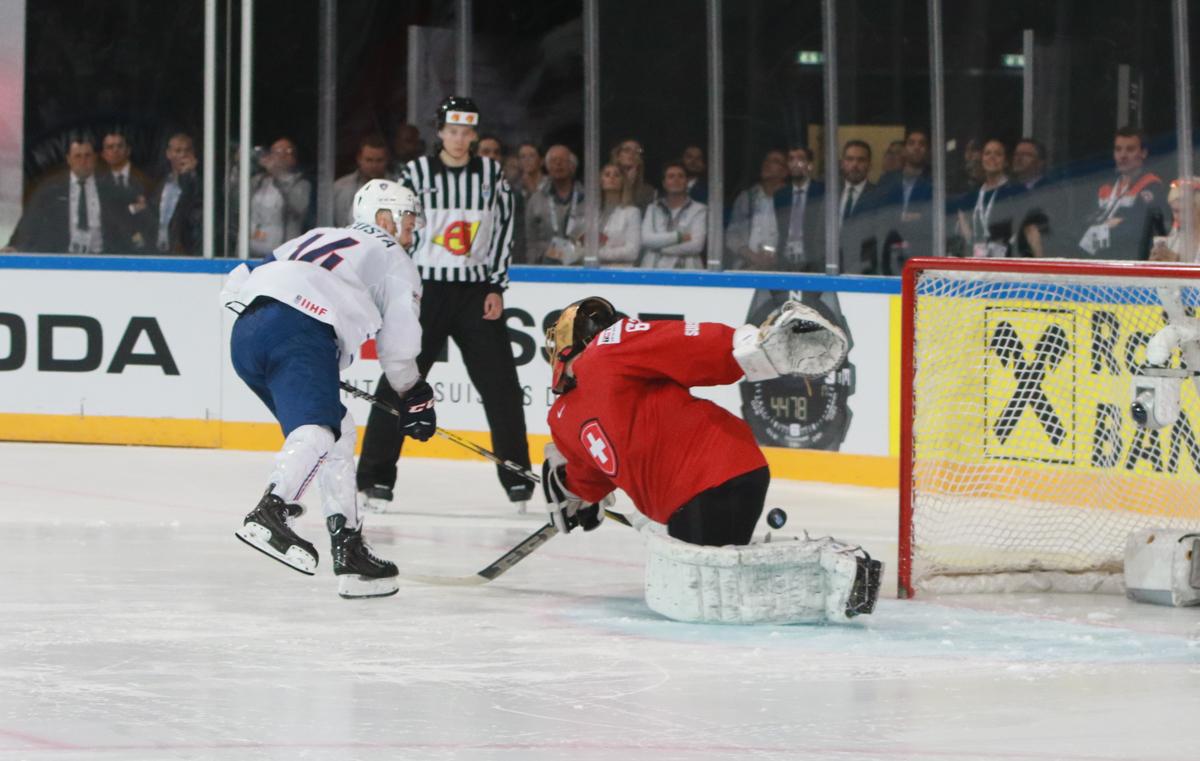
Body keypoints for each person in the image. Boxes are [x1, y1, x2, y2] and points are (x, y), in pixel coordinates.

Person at [540, 297, 879, 623]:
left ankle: (837, 565)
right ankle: (838, 570)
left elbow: (681, 345)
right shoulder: (562, 417)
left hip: (703, 476)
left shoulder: (605, 352)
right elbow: (590, 474)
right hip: (719, 472)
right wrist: (574, 494)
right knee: (717, 575)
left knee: (710, 582)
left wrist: (749, 345)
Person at [220, 179, 431, 599]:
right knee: (320, 428)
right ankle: (272, 511)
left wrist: (285, 336)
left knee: (338, 427)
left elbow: (238, 281)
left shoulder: (319, 234)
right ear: (384, 217)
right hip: (302, 329)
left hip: (248, 332)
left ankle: (348, 548)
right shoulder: (395, 257)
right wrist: (413, 393)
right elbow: (399, 346)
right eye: (408, 220)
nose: (412, 231)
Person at [356, 95, 532, 511]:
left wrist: (496, 286)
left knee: (501, 386)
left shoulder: (491, 173)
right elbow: (398, 231)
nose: (459, 138)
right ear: (440, 132)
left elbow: (503, 231)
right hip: (426, 292)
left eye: (466, 132)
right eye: (452, 131)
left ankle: (518, 477)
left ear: (474, 134)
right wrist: (398, 285)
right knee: (400, 378)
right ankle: (375, 476)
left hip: (475, 294)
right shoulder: (415, 173)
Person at [1078, 126, 1170, 260]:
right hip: (1097, 258)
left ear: (1143, 153)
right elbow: (1084, 222)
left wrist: (1106, 227)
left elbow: (1138, 226)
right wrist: (1112, 224)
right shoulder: (1105, 187)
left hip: (1130, 259)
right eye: (1118, 149)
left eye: (1130, 149)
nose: (1123, 155)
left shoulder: (1152, 185)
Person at [5, 134, 105, 254]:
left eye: (87, 156)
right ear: (69, 159)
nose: (83, 161)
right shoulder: (49, 191)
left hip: (102, 258)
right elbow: (30, 224)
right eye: (78, 156)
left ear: (95, 158)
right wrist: (15, 246)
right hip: (61, 257)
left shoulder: (110, 190)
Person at [640, 161, 706, 269]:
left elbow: (696, 245)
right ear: (664, 183)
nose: (676, 180)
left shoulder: (699, 209)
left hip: (687, 273)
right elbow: (646, 240)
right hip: (653, 270)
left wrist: (657, 246)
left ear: (687, 181)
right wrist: (679, 237)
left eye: (681, 176)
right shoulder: (653, 208)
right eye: (671, 176)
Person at [97, 130, 153, 253]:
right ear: (103, 154)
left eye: (120, 146)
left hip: (143, 248)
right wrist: (132, 209)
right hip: (110, 249)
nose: (115, 150)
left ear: (128, 151)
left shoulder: (146, 180)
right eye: (110, 147)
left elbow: (151, 212)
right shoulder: (98, 185)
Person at [154, 132, 203, 254]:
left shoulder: (202, 183)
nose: (183, 155)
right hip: (161, 249)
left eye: (187, 151)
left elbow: (187, 208)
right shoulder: (162, 182)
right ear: (168, 154)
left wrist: (187, 176)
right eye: (178, 151)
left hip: (188, 250)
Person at [333, 135, 390, 227]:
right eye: (369, 160)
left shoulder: (398, 186)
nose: (374, 165)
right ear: (359, 159)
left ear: (387, 160)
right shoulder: (339, 187)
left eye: (379, 160)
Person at [594, 163, 642, 267]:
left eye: (616, 175)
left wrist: (595, 254)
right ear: (601, 181)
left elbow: (632, 252)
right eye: (607, 175)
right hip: (592, 270)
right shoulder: (592, 212)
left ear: (623, 182)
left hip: (621, 271)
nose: (612, 177)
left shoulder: (632, 212)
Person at [1150, 179, 1200, 262]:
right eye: (1175, 211)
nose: (1178, 216)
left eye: (1185, 211)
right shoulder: (1175, 237)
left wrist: (1177, 261)